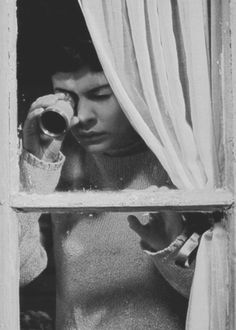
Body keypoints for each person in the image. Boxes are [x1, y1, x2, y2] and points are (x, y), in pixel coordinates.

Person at [19, 13, 196, 330]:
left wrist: (174, 250)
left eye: (100, 95)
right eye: (68, 99)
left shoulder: (187, 167)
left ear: (134, 90)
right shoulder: (64, 161)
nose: (82, 116)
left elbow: (224, 296)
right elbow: (19, 271)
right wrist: (36, 164)